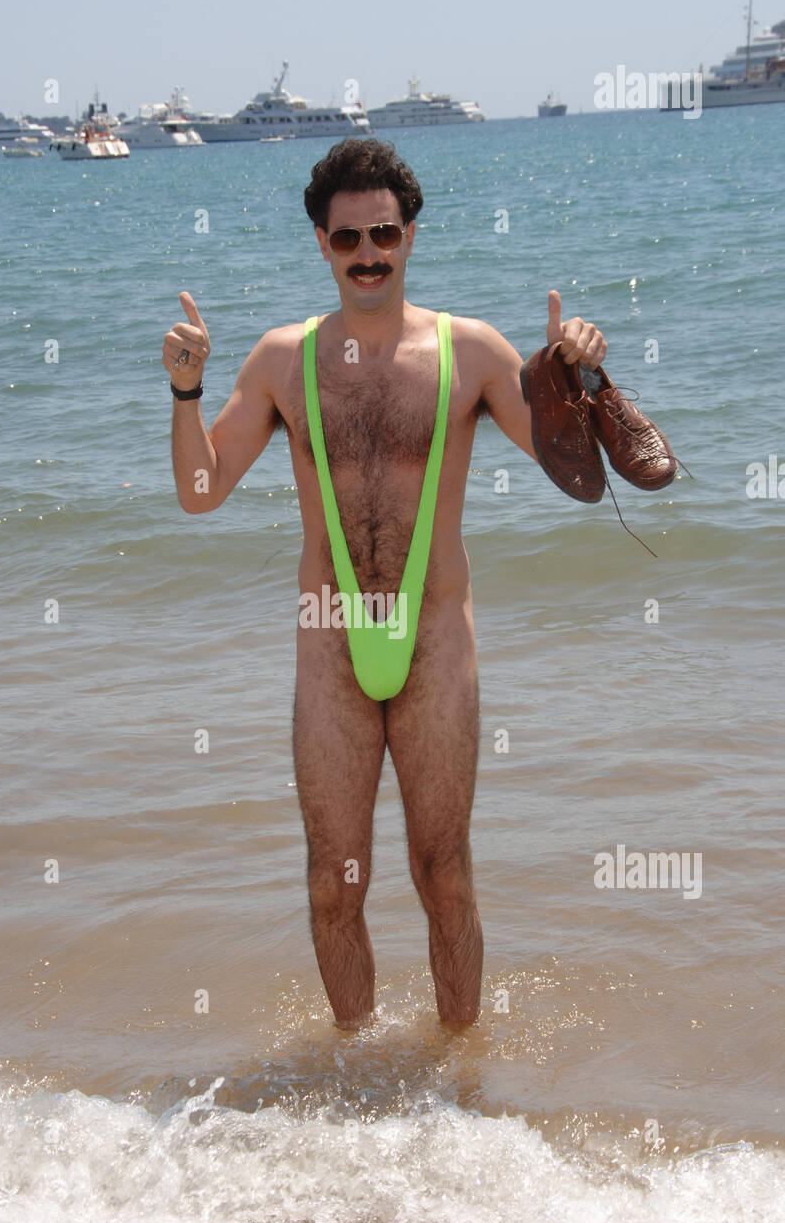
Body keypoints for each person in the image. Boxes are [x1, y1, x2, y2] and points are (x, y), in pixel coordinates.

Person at [163, 137, 607, 1029]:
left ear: (409, 236)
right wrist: (186, 392)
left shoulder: (474, 352)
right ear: (321, 245)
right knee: (333, 879)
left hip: (436, 634)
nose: (367, 254)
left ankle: (459, 1074)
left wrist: (577, 377)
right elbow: (200, 493)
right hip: (329, 640)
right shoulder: (281, 360)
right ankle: (355, 1072)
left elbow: (580, 474)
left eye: (383, 234)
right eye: (346, 240)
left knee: (442, 871)